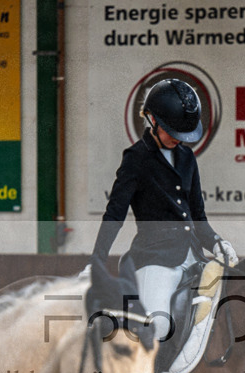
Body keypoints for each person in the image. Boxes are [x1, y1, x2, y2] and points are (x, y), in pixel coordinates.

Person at [92, 78, 237, 346]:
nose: (178, 140)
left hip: (193, 255)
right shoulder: (136, 159)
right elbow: (115, 213)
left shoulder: (187, 158)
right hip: (155, 258)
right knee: (157, 325)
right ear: (151, 119)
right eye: (172, 132)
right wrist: (97, 260)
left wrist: (216, 241)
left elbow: (197, 217)